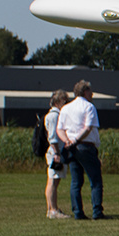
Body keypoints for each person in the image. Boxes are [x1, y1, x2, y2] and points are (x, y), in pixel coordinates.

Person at [56, 80, 104, 220]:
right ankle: (97, 211)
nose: (92, 94)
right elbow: (88, 127)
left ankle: (78, 212)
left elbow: (60, 129)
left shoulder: (66, 108)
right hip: (85, 146)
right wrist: (76, 140)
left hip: (70, 146)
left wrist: (67, 141)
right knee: (95, 180)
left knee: (76, 181)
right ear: (85, 92)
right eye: (90, 91)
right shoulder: (89, 107)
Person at [42, 89, 72, 218]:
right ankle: (53, 209)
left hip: (56, 151)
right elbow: (53, 138)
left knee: (54, 180)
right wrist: (57, 153)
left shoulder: (53, 115)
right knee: (53, 181)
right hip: (56, 152)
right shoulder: (54, 116)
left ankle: (51, 209)